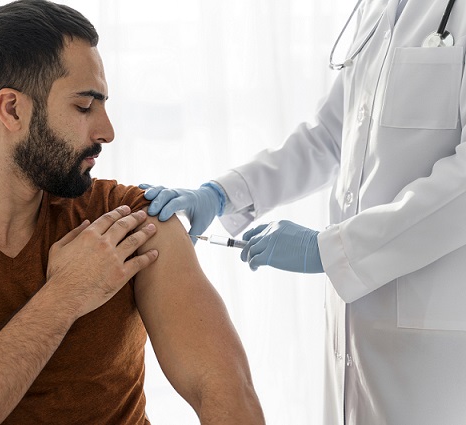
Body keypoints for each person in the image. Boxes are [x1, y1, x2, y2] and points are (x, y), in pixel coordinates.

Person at [0, 1, 266, 424]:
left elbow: (224, 387)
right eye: (84, 106)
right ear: (12, 109)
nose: (107, 131)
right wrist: (66, 295)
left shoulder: (128, 217)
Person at [141, 0, 466, 424]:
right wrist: (222, 193)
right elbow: (329, 136)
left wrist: (331, 250)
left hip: (434, 348)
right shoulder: (376, 9)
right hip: (356, 334)